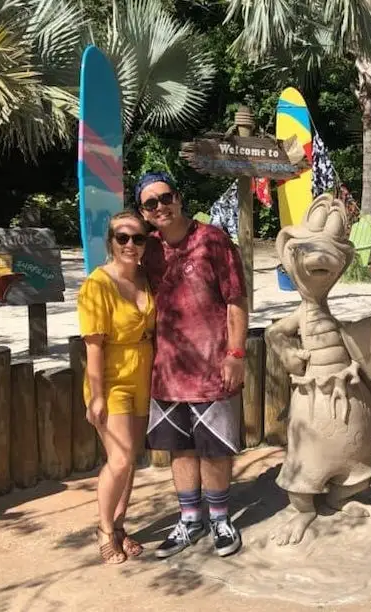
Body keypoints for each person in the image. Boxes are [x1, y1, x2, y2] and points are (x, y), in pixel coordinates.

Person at [135, 171, 249, 559]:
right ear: (143, 212)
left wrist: (235, 353)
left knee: (215, 448)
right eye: (150, 203)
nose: (160, 207)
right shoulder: (145, 249)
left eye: (165, 197)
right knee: (179, 448)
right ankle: (189, 519)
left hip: (212, 365)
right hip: (167, 369)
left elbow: (236, 300)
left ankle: (219, 517)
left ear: (178, 197)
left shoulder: (214, 240)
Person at [77, 209, 155, 564]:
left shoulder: (145, 277)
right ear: (110, 242)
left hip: (143, 374)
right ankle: (104, 529)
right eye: (122, 237)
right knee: (119, 458)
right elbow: (93, 345)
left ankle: (121, 525)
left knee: (132, 459)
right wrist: (96, 396)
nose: (130, 244)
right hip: (112, 378)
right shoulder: (97, 284)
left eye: (137, 238)